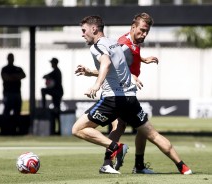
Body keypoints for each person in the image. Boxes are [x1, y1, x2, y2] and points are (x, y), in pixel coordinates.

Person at [72, 15, 192, 175]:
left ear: (94, 29)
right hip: (130, 98)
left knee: (78, 129)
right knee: (146, 133)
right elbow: (114, 65)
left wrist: (96, 84)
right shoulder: (116, 42)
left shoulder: (101, 46)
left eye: (83, 30)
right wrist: (92, 73)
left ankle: (116, 151)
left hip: (114, 97)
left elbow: (106, 64)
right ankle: (183, 167)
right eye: (142, 30)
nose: (82, 34)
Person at [100, 12, 159, 174]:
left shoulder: (134, 41)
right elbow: (114, 64)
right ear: (133, 27)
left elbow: (131, 57)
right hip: (118, 90)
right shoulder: (124, 44)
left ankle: (118, 162)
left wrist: (144, 59)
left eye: (146, 31)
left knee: (124, 126)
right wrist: (132, 76)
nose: (144, 34)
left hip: (126, 90)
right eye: (141, 30)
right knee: (126, 126)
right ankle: (110, 162)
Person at [41, 57, 64, 135]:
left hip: (57, 93)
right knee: (55, 112)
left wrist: (47, 77)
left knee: (57, 112)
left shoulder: (56, 71)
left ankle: (59, 130)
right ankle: (56, 130)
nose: (51, 64)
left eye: (52, 63)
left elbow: (46, 76)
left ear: (55, 63)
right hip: (56, 92)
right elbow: (46, 76)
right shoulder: (55, 71)